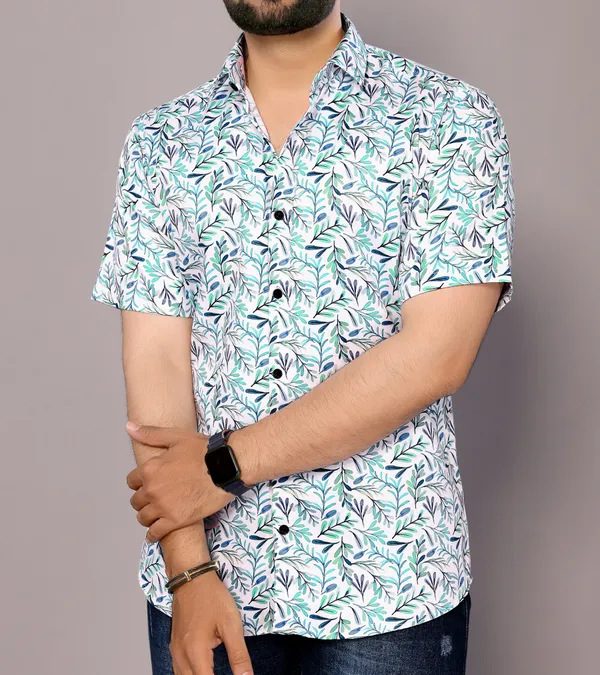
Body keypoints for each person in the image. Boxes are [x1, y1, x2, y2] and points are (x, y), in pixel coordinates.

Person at [90, 1, 515, 673]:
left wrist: (223, 467)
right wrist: (188, 572)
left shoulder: (449, 120)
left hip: (390, 588)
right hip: (212, 584)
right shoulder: (161, 142)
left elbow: (437, 354)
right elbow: (156, 362)